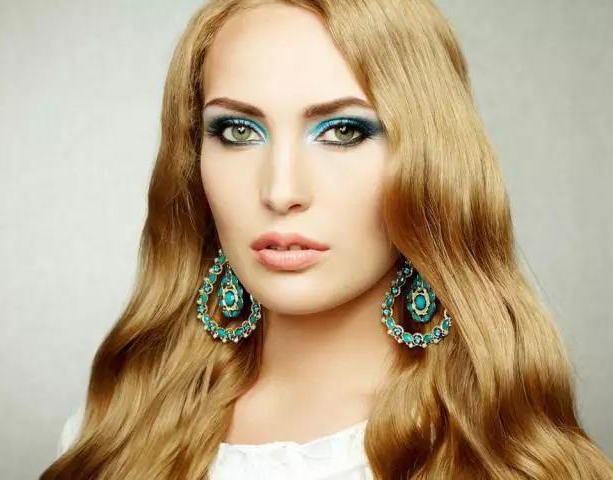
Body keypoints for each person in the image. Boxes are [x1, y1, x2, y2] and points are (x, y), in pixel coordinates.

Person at [41, 0, 613, 479]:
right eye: (238, 130)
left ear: (430, 162)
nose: (281, 190)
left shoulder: (505, 453)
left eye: (342, 130)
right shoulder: (114, 432)